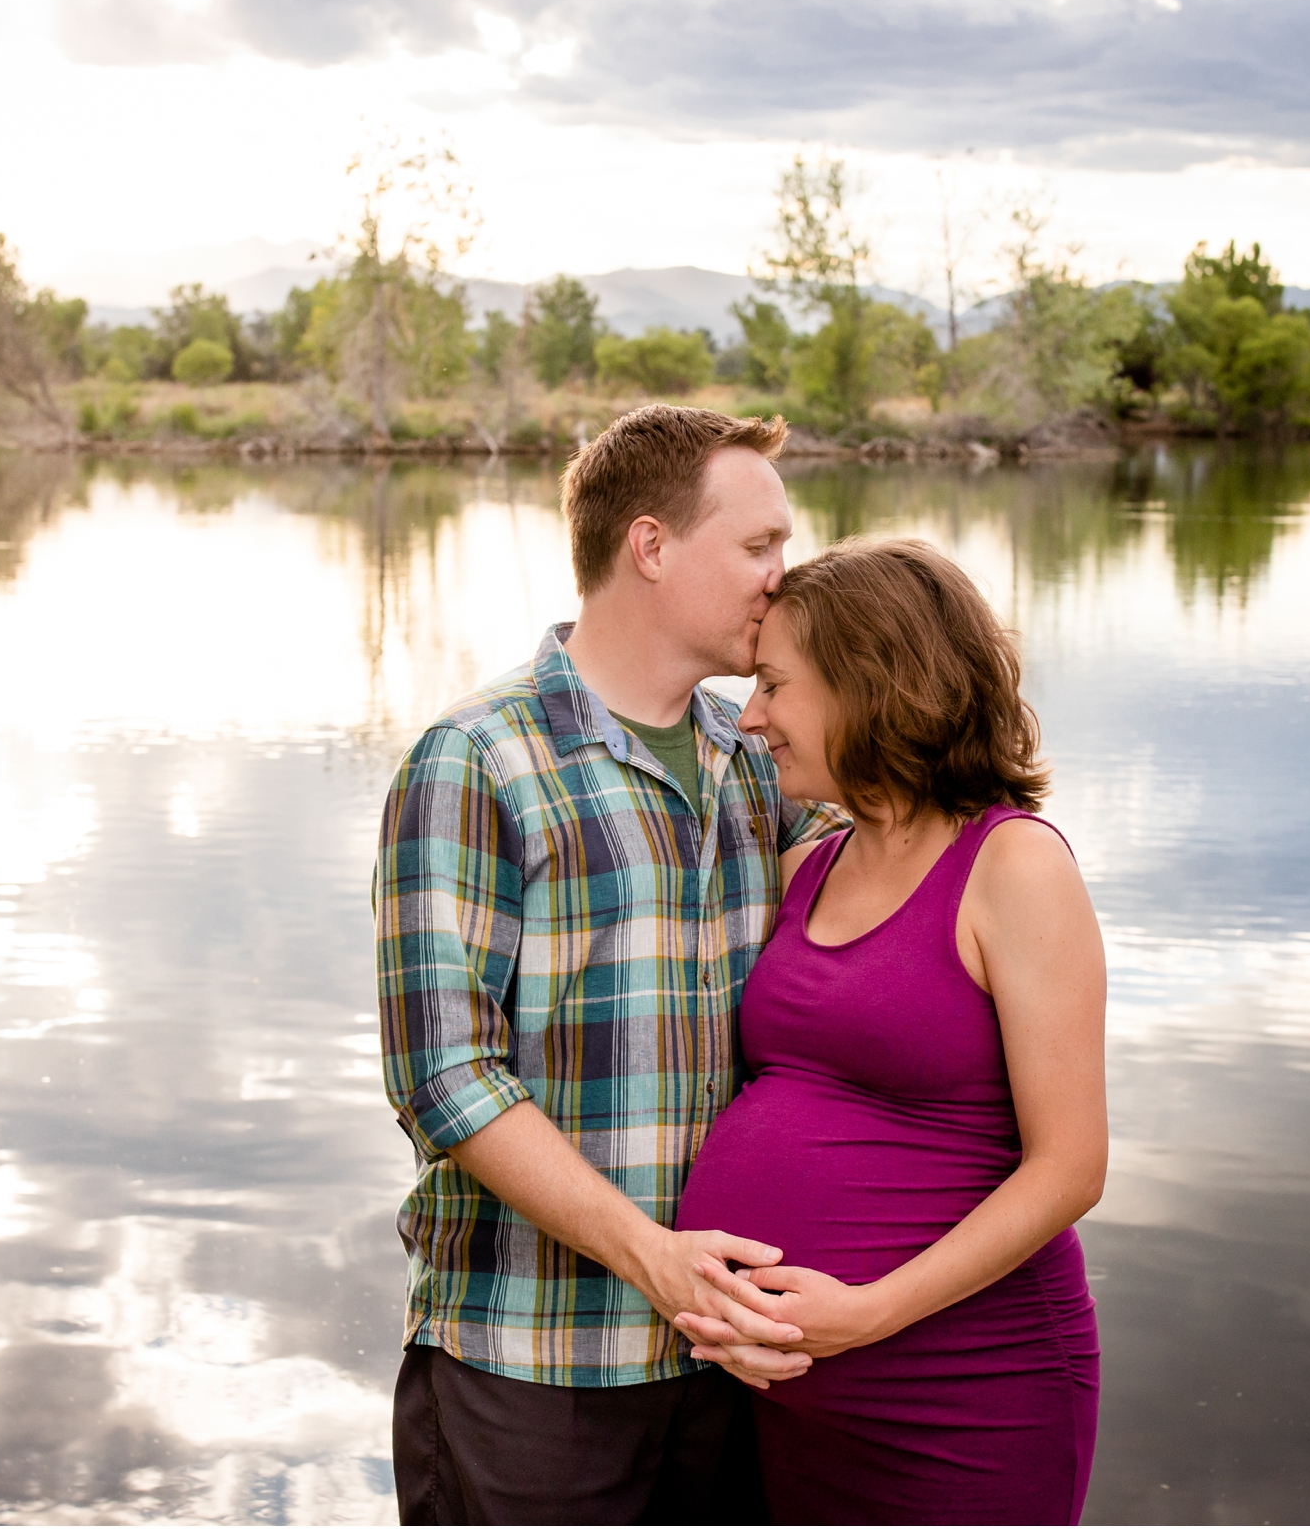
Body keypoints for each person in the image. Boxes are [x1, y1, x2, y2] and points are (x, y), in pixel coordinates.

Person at [372, 405, 843, 1523]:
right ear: (651, 546)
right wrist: (652, 1257)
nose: (783, 576)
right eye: (759, 545)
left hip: (725, 1361)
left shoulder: (760, 759)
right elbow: (444, 1076)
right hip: (531, 1368)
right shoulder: (478, 758)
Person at [671, 537, 1109, 1524]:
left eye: (777, 685)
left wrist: (865, 1312)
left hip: (965, 1391)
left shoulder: (1013, 866)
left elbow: (1071, 1165)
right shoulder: (810, 868)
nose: (753, 717)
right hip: (797, 1402)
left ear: (869, 684)